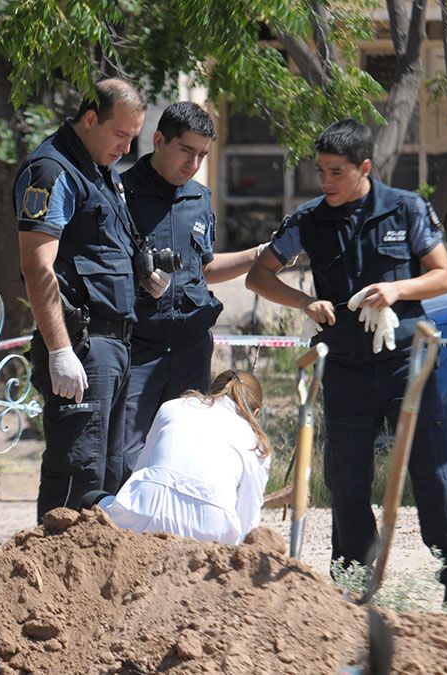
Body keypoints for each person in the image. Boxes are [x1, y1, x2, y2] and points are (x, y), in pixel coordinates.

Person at [245, 119, 447, 615]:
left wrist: (397, 289)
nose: (326, 181)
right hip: (346, 366)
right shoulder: (310, 220)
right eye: (320, 171)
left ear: (364, 168)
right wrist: (305, 302)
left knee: (435, 470)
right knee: (347, 479)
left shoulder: (406, 208)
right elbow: (258, 276)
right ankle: (354, 579)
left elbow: (444, 277)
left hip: (405, 363)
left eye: (336, 172)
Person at [15, 79, 161, 521]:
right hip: (83, 346)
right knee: (77, 476)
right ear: (91, 119)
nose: (126, 148)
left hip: (115, 346)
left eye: (133, 138)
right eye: (120, 135)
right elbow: (37, 266)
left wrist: (144, 275)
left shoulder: (99, 172)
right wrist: (59, 349)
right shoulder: (52, 170)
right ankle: (56, 565)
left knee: (109, 477)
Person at [120, 102, 267, 474]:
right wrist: (137, 278)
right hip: (140, 345)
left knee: (184, 449)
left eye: (202, 154)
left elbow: (204, 269)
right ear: (158, 141)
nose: (194, 163)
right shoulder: (121, 193)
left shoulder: (199, 198)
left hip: (190, 345)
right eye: (187, 150)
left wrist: (259, 254)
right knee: (127, 451)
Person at [91, 369, 272, 544]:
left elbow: (141, 470)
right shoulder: (257, 445)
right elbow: (248, 518)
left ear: (212, 391)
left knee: (92, 497)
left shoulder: (172, 407)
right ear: (256, 412)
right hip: (212, 534)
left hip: (142, 516)